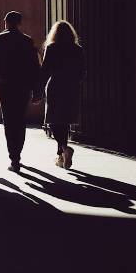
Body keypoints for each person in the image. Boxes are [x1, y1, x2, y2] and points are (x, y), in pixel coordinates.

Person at [0, 10, 41, 172]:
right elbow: (35, 67)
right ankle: (18, 153)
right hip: (23, 87)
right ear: (19, 23)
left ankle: (14, 157)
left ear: (6, 22)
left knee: (9, 120)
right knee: (20, 120)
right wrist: (37, 89)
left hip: (6, 86)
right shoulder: (27, 41)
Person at [40, 20, 85, 169]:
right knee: (64, 121)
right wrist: (75, 81)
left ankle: (65, 149)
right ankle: (61, 156)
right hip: (71, 87)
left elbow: (45, 70)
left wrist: (38, 88)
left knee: (53, 121)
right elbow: (82, 71)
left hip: (56, 86)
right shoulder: (77, 49)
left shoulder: (52, 48)